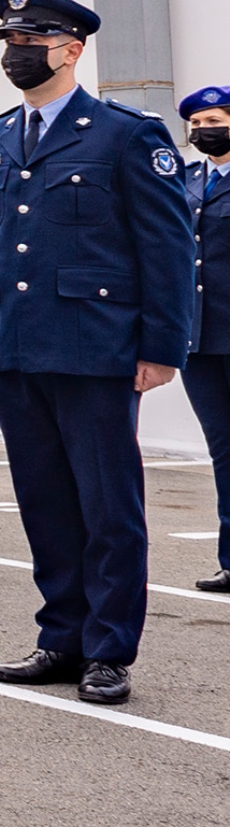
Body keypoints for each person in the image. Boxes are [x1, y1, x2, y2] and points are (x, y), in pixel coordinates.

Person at [0, 0, 194, 706]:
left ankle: (108, 649)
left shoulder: (124, 135)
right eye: (9, 41)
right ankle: (61, 637)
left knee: (107, 507)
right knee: (44, 503)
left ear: (70, 50)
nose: (16, 52)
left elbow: (165, 247)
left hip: (94, 348)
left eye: (29, 41)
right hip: (14, 349)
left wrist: (162, 346)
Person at [183, 85, 230, 594]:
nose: (202, 131)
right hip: (201, 337)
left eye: (213, 121)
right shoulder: (189, 180)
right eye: (196, 124)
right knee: (224, 451)